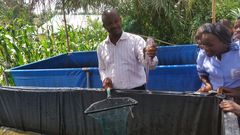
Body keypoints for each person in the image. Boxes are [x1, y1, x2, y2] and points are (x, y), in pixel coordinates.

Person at [97, 9, 158, 90]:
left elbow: (150, 66)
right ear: (104, 26)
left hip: (137, 92)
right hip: (114, 94)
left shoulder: (136, 41)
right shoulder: (101, 47)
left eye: (116, 21)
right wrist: (104, 79)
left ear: (120, 20)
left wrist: (150, 56)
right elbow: (102, 68)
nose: (114, 25)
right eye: (110, 23)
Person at [196, 23, 240, 92]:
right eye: (204, 44)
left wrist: (233, 91)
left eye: (210, 45)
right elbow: (202, 73)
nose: (206, 48)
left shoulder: (237, 54)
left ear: (224, 42)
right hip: (211, 95)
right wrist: (208, 85)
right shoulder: (203, 54)